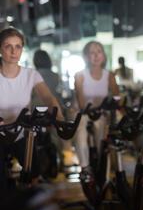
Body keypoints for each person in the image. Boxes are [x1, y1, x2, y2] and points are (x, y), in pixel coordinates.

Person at [0, 27, 63, 190]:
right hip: (0, 133)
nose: (14, 51)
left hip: (22, 133)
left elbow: (48, 97)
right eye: (8, 46)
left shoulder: (31, 74)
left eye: (18, 46)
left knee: (33, 174)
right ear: (1, 49)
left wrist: (60, 118)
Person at [73, 41, 120, 171]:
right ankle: (85, 167)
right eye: (92, 52)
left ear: (103, 55)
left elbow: (117, 96)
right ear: (86, 57)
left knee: (102, 131)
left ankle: (101, 163)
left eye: (99, 51)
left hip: (101, 113)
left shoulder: (109, 75)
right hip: (84, 112)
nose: (96, 55)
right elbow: (81, 102)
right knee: (81, 129)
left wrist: (114, 104)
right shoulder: (80, 76)